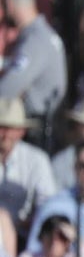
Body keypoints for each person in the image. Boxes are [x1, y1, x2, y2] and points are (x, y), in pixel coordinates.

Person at [0, 0, 67, 148]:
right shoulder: (41, 36)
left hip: (34, 130)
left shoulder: (36, 40)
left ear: (9, 4)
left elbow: (8, 88)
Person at [0, 98, 57, 243]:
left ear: (21, 131)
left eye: (9, 128)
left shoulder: (37, 160)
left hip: (25, 236)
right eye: (1, 127)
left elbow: (46, 204)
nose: (3, 134)